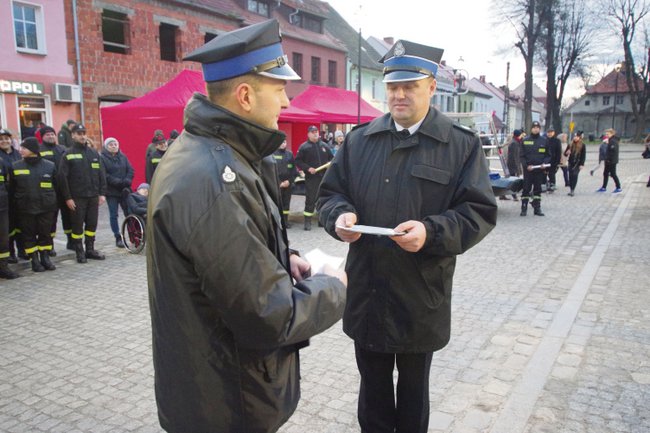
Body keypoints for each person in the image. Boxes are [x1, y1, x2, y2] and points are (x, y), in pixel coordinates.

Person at [147, 19, 347, 433]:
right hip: (225, 402)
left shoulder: (214, 155)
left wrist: (282, 259)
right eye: (279, 91)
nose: (287, 104)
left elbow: (230, 257)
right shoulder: (215, 176)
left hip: (213, 388)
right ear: (244, 95)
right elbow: (268, 314)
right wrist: (335, 287)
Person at [317, 39, 497, 433]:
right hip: (368, 291)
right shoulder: (359, 141)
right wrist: (338, 218)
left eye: (409, 86)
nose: (399, 95)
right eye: (393, 86)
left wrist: (430, 232)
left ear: (431, 87)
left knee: (414, 399)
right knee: (373, 394)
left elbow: (478, 212)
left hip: (420, 295)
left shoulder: (459, 146)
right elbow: (329, 195)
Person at [57, 124, 107, 263]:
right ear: (72, 135)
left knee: (92, 224)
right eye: (79, 133)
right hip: (77, 197)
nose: (82, 136)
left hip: (93, 196)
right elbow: (62, 178)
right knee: (77, 225)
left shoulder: (93, 153)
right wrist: (68, 198)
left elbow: (101, 174)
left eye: (84, 133)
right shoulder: (68, 154)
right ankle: (79, 251)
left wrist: (102, 193)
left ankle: (90, 249)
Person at [10, 137, 57, 272]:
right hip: (25, 207)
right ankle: (34, 260)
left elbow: (57, 186)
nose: (20, 150)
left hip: (46, 207)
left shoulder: (50, 165)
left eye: (24, 148)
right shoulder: (16, 166)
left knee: (45, 234)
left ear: (33, 150)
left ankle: (45, 258)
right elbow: (12, 189)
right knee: (28, 235)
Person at [295, 125, 333, 230]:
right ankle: (307, 222)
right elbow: (298, 161)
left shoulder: (325, 146)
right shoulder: (304, 147)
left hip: (324, 177)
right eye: (313, 132)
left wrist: (330, 163)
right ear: (308, 134)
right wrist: (307, 168)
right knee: (310, 199)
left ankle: (321, 220)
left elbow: (332, 159)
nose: (315, 133)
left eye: (316, 131)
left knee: (322, 198)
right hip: (312, 178)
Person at [38, 125, 67, 256]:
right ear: (42, 137)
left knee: (68, 217)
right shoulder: (39, 150)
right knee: (51, 219)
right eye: (47, 134)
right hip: (49, 191)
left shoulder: (62, 149)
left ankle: (72, 241)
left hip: (64, 189)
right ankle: (49, 245)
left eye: (52, 134)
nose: (51, 136)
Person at [101, 137, 134, 248]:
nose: (114, 146)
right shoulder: (102, 158)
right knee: (113, 215)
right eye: (111, 144)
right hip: (112, 192)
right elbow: (104, 174)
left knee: (129, 212)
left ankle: (132, 234)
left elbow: (130, 169)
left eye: (115, 144)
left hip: (124, 190)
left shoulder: (123, 156)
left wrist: (128, 180)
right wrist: (118, 182)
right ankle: (118, 237)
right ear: (106, 147)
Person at [0, 128, 26, 262]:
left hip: (19, 195)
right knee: (8, 227)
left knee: (21, 224)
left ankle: (23, 250)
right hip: (5, 197)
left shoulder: (17, 154)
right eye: (1, 139)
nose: (4, 141)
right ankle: (10, 252)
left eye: (7, 138)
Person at [519, 120, 550, 216]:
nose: (536, 129)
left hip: (539, 170)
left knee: (537, 189)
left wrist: (544, 163)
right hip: (528, 170)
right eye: (534, 128)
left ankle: (537, 208)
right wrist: (526, 166)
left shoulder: (544, 141)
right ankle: (524, 208)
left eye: (537, 128)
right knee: (526, 189)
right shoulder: (525, 140)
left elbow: (548, 155)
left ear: (539, 129)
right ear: (531, 129)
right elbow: (521, 156)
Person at [0, 138, 20, 279]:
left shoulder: (1, 162)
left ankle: (3, 267)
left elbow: (6, 183)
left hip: (3, 205)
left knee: (3, 238)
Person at [273, 139, 298, 228]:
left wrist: (289, 181)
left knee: (286, 204)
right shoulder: (272, 154)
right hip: (276, 184)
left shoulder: (289, 154)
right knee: (276, 203)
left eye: (284, 142)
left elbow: (294, 171)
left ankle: (285, 222)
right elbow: (270, 171)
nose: (283, 144)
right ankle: (276, 222)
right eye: (281, 142)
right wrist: (279, 183)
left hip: (288, 184)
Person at [597, 128, 622, 193]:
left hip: (611, 161)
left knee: (613, 174)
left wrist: (608, 159)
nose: (606, 135)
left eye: (608, 134)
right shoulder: (610, 140)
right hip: (608, 160)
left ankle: (618, 187)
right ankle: (604, 187)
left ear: (612, 134)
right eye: (606, 134)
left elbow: (613, 151)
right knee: (605, 173)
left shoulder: (613, 141)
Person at [506, 129, 524, 200]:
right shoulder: (514, 143)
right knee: (513, 180)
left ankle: (506, 195)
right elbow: (515, 156)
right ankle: (514, 195)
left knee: (511, 179)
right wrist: (518, 168)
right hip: (512, 164)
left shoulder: (516, 142)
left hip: (512, 164)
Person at [546, 127, 562, 192]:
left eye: (551, 132)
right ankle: (545, 185)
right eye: (548, 132)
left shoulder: (557, 141)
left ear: (553, 133)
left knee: (552, 174)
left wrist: (557, 161)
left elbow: (559, 152)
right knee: (544, 173)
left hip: (553, 160)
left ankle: (552, 185)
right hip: (545, 160)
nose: (549, 134)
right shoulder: (544, 140)